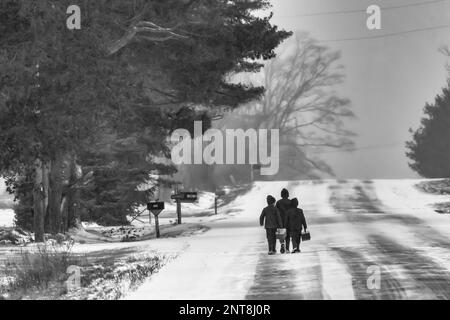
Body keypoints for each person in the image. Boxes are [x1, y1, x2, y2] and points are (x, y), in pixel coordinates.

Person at [276, 188, 291, 253]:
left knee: (281, 234)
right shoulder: (290, 202)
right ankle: (287, 249)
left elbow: (276, 212)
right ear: (288, 194)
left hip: (281, 221)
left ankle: (282, 244)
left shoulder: (278, 202)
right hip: (289, 221)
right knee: (288, 235)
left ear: (281, 195)